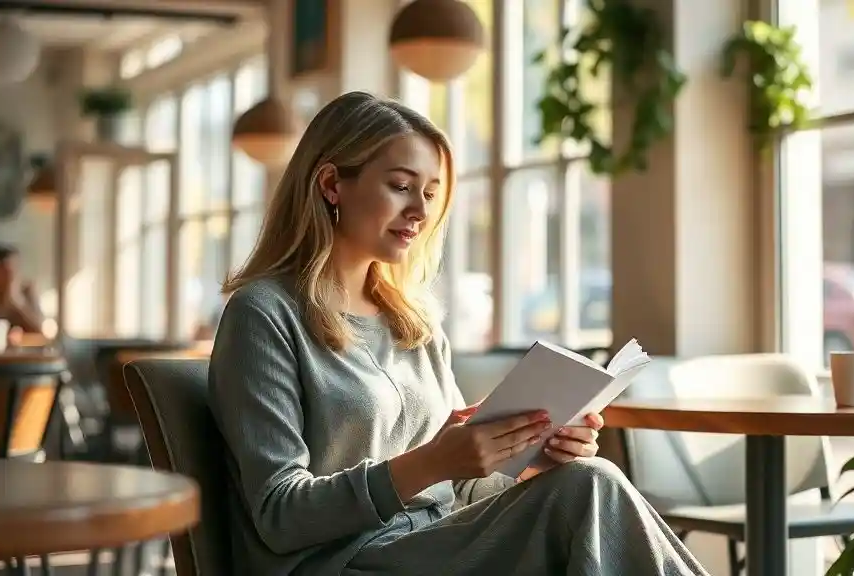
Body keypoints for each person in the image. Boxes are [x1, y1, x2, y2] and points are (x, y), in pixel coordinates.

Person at [209, 91, 708, 576]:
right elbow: (278, 513)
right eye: (401, 186)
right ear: (331, 184)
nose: (421, 212)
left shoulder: (413, 323)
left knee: (583, 478)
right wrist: (429, 463)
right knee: (590, 488)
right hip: (343, 562)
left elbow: (458, 491)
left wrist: (530, 459)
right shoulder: (264, 314)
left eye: (430, 194)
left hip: (435, 546)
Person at [0, 244, 44, 338]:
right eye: (3, 271)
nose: (9, 277)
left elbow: (39, 330)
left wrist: (15, 301)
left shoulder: (27, 291)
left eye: (14, 270)